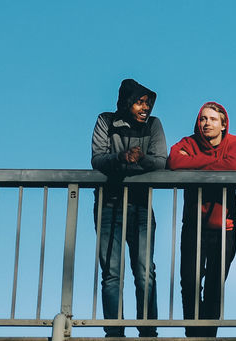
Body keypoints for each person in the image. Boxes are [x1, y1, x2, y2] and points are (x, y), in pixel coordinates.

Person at [91, 79, 168, 337]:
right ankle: (114, 332)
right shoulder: (106, 120)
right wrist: (123, 158)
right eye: (139, 102)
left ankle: (148, 331)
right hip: (108, 204)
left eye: (148, 103)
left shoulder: (154, 125)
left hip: (141, 206)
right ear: (126, 102)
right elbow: (98, 159)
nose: (145, 107)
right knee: (111, 273)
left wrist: (141, 158)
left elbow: (160, 162)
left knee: (145, 271)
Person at [168, 102, 236, 337]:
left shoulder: (234, 142)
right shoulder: (187, 142)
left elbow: (233, 166)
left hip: (225, 226)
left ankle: (208, 334)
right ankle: (193, 334)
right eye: (203, 119)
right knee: (189, 282)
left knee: (214, 284)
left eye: (212, 119)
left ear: (223, 124)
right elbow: (173, 162)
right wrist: (213, 163)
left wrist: (194, 163)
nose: (206, 123)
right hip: (193, 225)